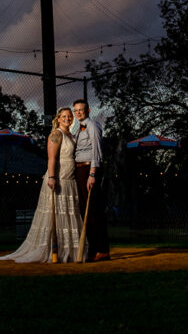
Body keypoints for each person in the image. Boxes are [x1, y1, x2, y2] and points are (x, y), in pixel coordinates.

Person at [0, 108, 86, 263]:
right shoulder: (56, 134)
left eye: (70, 117)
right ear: (58, 119)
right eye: (64, 116)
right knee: (55, 215)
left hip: (70, 179)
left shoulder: (71, 135)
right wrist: (52, 177)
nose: (67, 119)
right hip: (58, 178)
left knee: (67, 214)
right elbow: (51, 159)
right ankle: (52, 250)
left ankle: (68, 250)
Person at [73, 98, 110, 261]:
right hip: (80, 170)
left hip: (89, 169)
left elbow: (97, 150)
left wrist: (93, 174)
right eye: (76, 110)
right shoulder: (78, 128)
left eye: (81, 110)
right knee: (85, 210)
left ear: (88, 111)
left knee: (94, 210)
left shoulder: (93, 126)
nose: (78, 112)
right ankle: (93, 249)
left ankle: (102, 250)